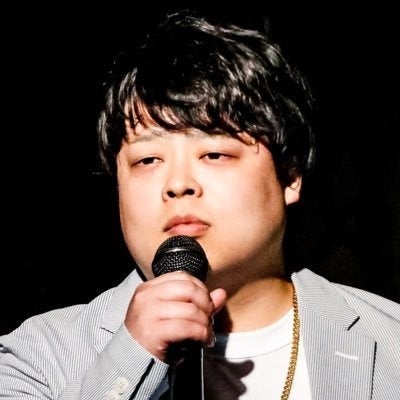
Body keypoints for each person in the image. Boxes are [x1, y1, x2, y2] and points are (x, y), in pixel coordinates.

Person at [1, 9, 399, 400]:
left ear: (290, 175)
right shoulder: (36, 359)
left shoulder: (389, 343)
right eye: (148, 160)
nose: (178, 184)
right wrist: (131, 358)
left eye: (214, 154)